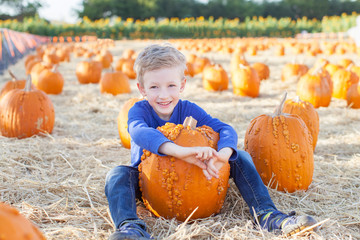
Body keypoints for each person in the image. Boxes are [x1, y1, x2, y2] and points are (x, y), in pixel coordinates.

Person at [105, 43, 318, 240]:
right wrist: (178, 151)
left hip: (198, 178)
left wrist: (224, 154)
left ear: (182, 85)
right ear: (141, 89)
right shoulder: (138, 111)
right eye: (154, 87)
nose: (163, 95)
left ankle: (268, 214)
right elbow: (139, 133)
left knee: (240, 156)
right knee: (117, 175)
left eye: (171, 85)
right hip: (148, 182)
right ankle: (130, 227)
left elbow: (225, 129)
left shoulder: (188, 109)